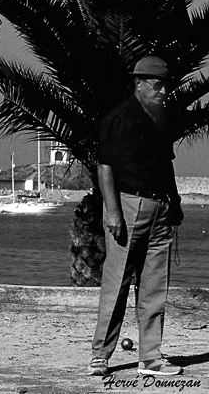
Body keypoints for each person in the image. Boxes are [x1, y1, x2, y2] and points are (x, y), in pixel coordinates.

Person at [88, 56, 184, 377]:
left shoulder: (162, 118)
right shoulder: (119, 118)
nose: (162, 90)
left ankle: (151, 358)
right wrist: (113, 212)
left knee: (155, 286)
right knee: (117, 282)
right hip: (128, 207)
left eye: (165, 84)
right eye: (156, 84)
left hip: (160, 209)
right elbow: (105, 166)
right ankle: (100, 355)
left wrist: (176, 202)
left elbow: (166, 163)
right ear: (139, 83)